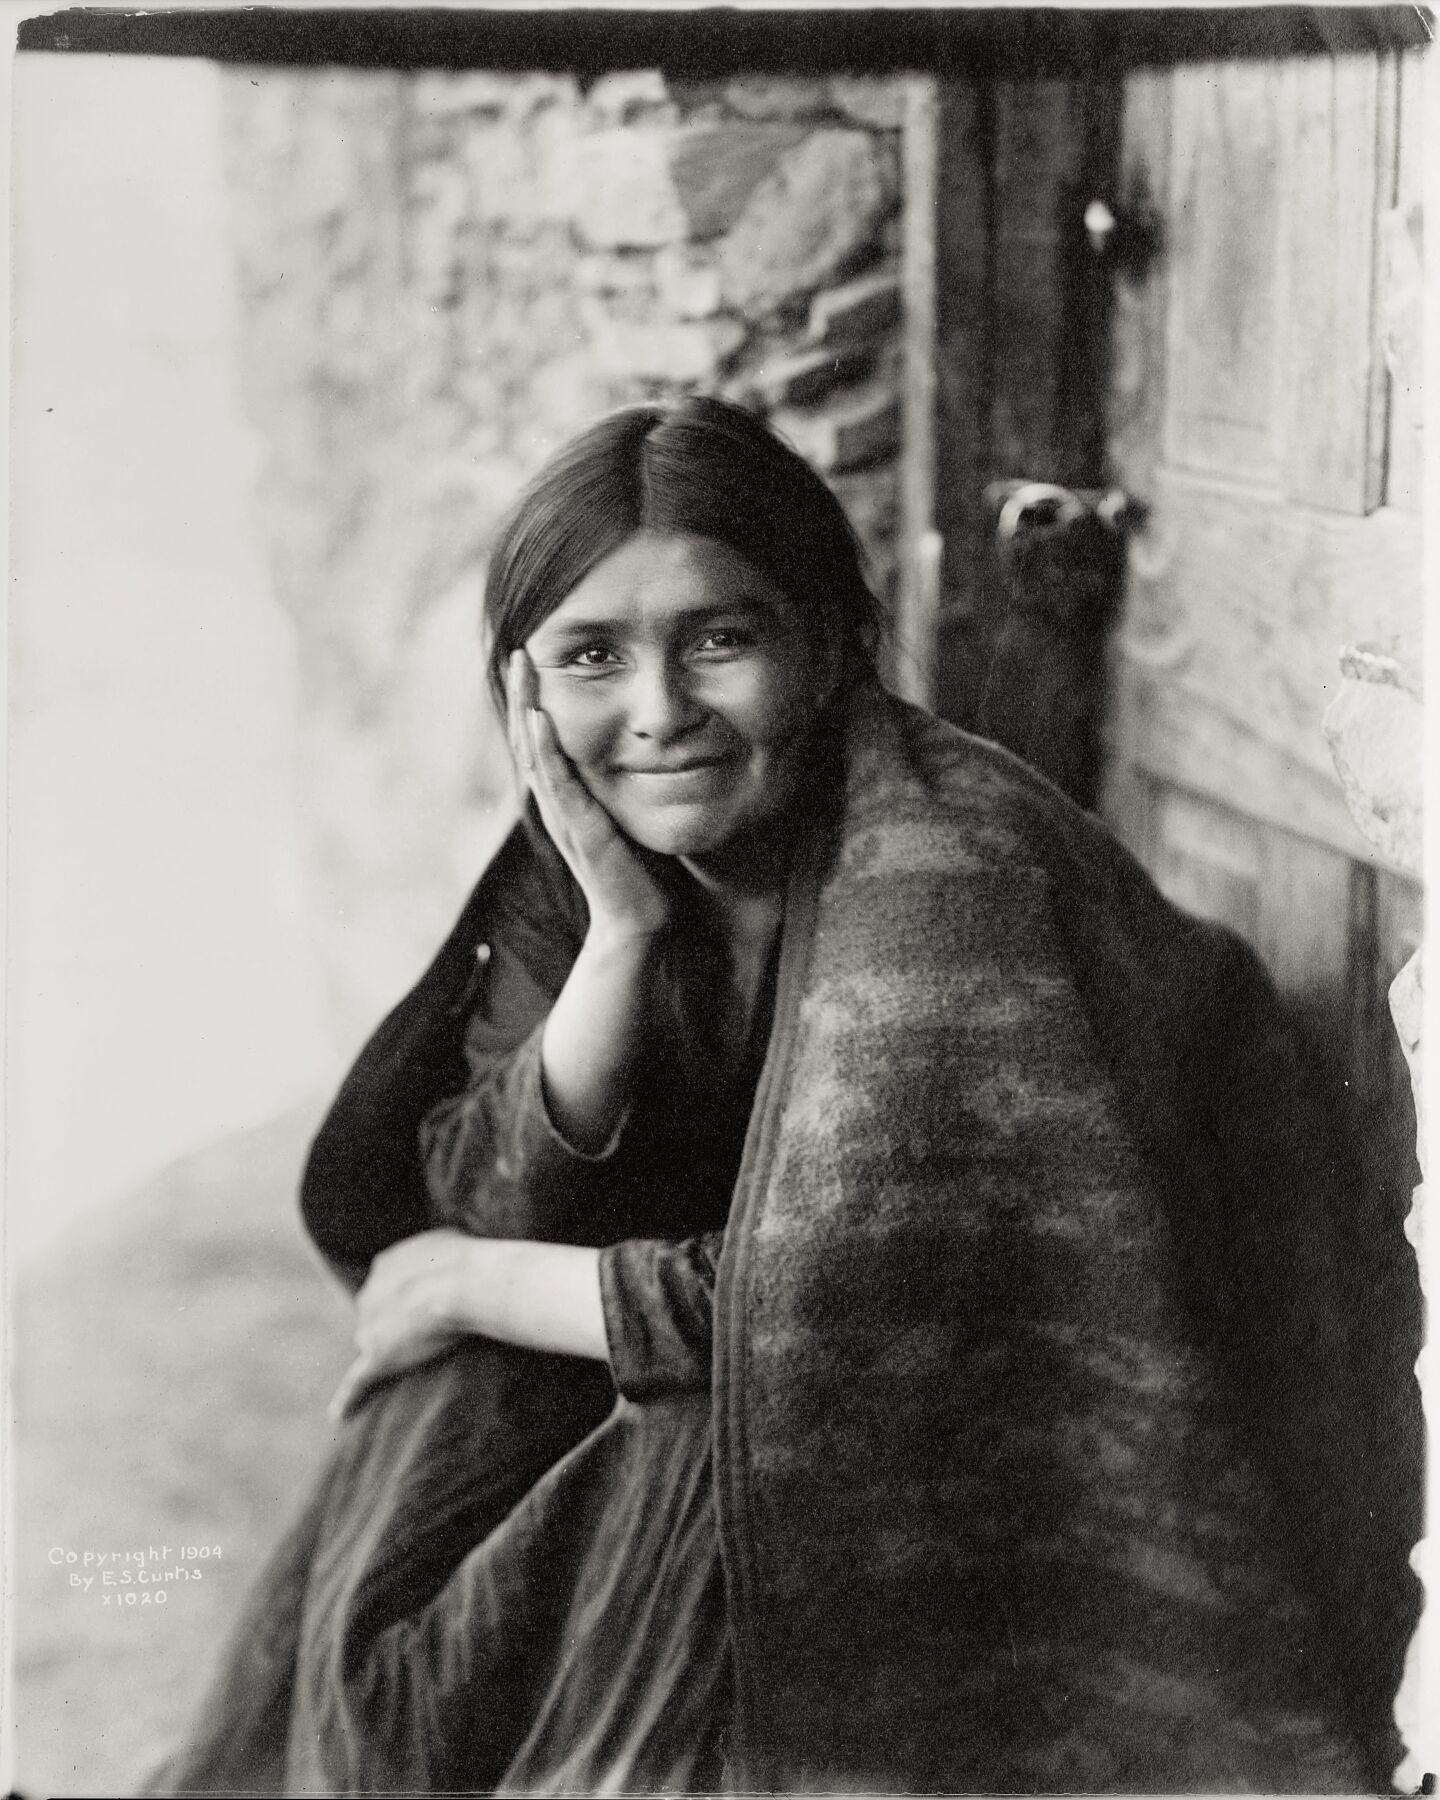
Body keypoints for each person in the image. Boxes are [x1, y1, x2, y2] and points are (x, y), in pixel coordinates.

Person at [149, 396, 1403, 1796]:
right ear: (524, 693)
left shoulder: (942, 872)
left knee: (691, 1437)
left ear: (828, 643)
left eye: (718, 641)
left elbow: (849, 1311)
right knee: (427, 1495)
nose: (658, 712)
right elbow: (475, 1187)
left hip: (1035, 1423)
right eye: (590, 657)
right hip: (781, 1341)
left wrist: (465, 1282)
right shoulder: (594, 849)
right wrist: (619, 945)